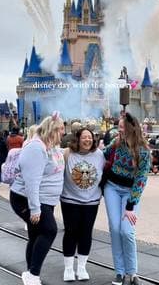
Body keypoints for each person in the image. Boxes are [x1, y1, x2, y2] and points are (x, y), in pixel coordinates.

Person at [10, 113, 65, 285]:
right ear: (53, 130)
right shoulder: (36, 148)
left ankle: (29, 273)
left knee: (35, 235)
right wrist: (35, 209)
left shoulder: (51, 146)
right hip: (27, 198)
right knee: (49, 230)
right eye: (62, 129)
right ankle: (33, 274)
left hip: (45, 200)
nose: (64, 132)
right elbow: (31, 181)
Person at [103, 112, 150, 285]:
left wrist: (130, 205)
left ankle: (133, 272)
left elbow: (141, 180)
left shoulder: (143, 151)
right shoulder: (116, 143)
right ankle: (119, 271)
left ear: (131, 128)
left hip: (130, 193)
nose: (119, 130)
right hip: (112, 188)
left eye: (121, 127)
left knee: (127, 231)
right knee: (115, 229)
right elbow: (102, 154)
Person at [61, 128, 105, 281]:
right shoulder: (67, 153)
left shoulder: (100, 155)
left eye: (90, 137)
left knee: (86, 233)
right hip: (69, 200)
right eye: (84, 137)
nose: (88, 140)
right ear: (77, 139)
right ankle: (68, 268)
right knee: (71, 232)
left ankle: (81, 267)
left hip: (91, 201)